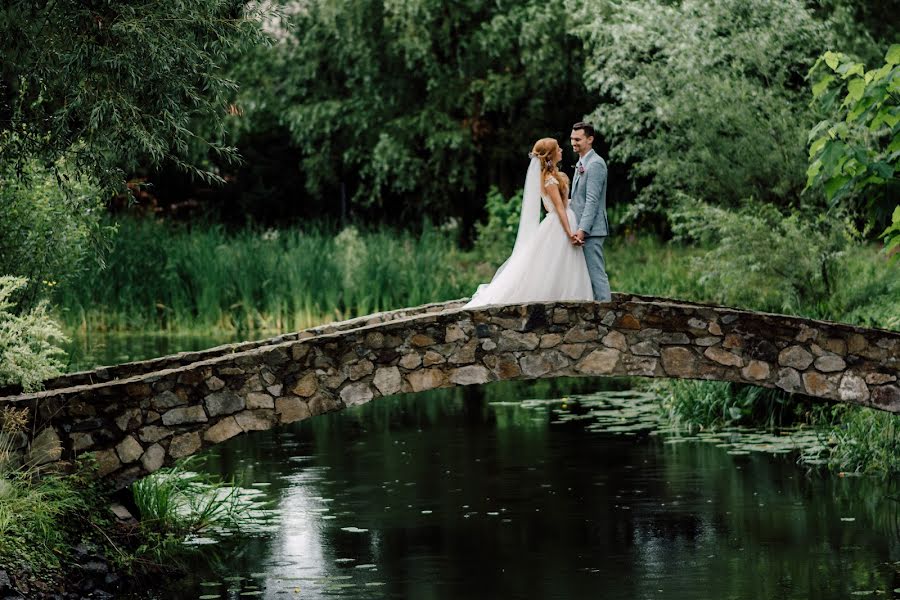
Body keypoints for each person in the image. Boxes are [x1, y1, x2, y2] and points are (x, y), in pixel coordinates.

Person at [465, 137, 593, 308]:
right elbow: (559, 209)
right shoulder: (549, 180)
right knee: (556, 262)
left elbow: (564, 205)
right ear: (551, 155)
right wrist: (570, 233)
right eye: (558, 149)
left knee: (563, 263)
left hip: (563, 220)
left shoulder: (555, 176)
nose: (562, 150)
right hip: (559, 225)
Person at [568, 121, 611, 302]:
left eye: (578, 139)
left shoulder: (595, 164)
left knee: (596, 276)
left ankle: (607, 317)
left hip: (591, 231)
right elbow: (579, 200)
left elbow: (592, 201)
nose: (573, 143)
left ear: (590, 139)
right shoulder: (581, 163)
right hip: (581, 230)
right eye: (572, 139)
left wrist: (582, 230)